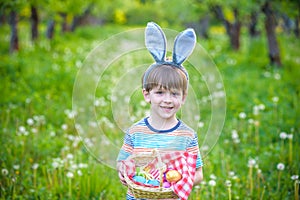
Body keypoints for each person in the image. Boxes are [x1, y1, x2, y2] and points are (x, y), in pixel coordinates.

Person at [117, 22, 203, 200]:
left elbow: (199, 173)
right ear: (147, 95)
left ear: (183, 97)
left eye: (174, 94)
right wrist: (124, 172)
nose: (167, 100)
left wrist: (178, 182)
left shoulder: (187, 136)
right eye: (160, 92)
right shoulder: (135, 132)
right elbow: (122, 162)